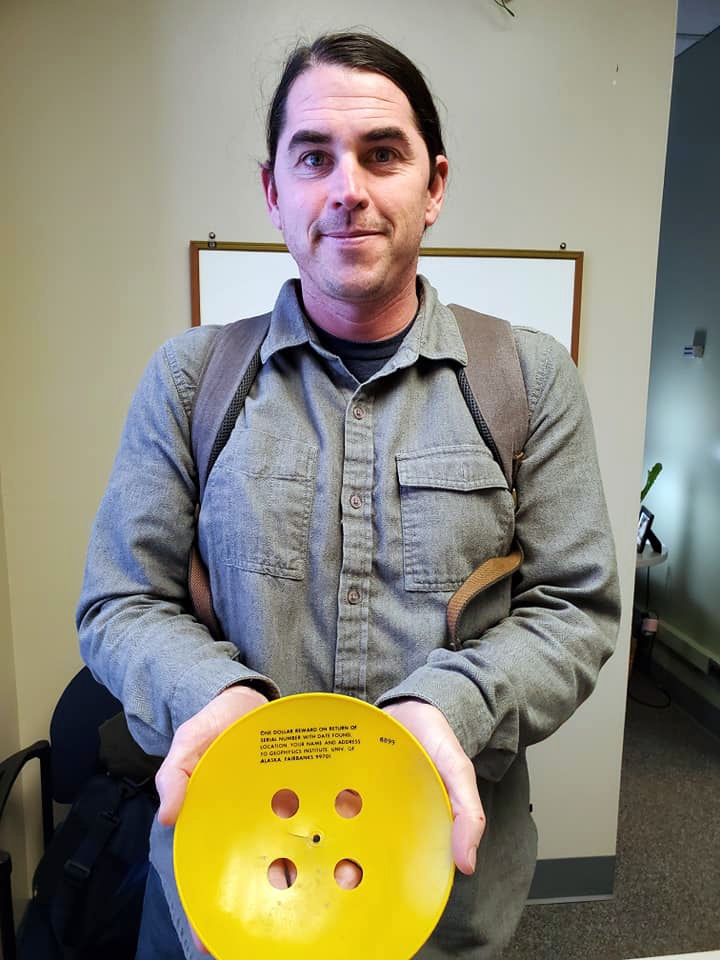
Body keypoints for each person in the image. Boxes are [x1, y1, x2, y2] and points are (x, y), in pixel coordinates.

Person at [77, 31, 620, 960]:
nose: (348, 190)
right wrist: (226, 701)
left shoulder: (529, 379)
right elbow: (120, 601)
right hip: (228, 892)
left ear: (434, 184)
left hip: (442, 901)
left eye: (382, 154)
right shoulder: (188, 381)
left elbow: (575, 608)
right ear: (274, 192)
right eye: (314, 157)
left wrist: (446, 706)